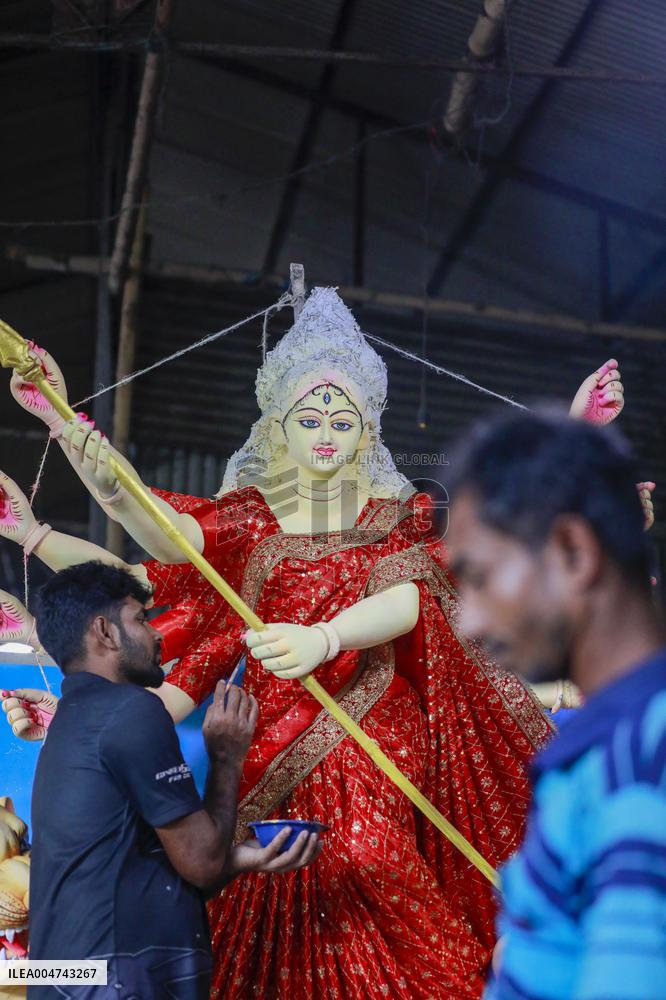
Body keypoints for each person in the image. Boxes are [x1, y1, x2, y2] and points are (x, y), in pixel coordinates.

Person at [0, 288, 628, 998]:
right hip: (267, 739)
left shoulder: (398, 519)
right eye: (308, 417)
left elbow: (423, 591)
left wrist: (326, 636)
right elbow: (157, 533)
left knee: (373, 858)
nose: (326, 432)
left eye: (343, 418)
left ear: (367, 432)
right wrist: (65, 429)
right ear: (280, 428)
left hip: (375, 729)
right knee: (262, 884)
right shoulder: (249, 524)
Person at [445, 409, 666, 1000]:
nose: (466, 622)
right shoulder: (609, 747)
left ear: (572, 552)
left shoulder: (645, 755)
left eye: (480, 577)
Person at [25, 561, 320, 999]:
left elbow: (146, 866)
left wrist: (244, 859)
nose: (158, 634)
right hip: (115, 977)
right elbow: (200, 863)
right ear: (105, 633)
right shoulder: (132, 711)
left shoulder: (72, 720)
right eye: (142, 619)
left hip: (59, 976)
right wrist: (226, 757)